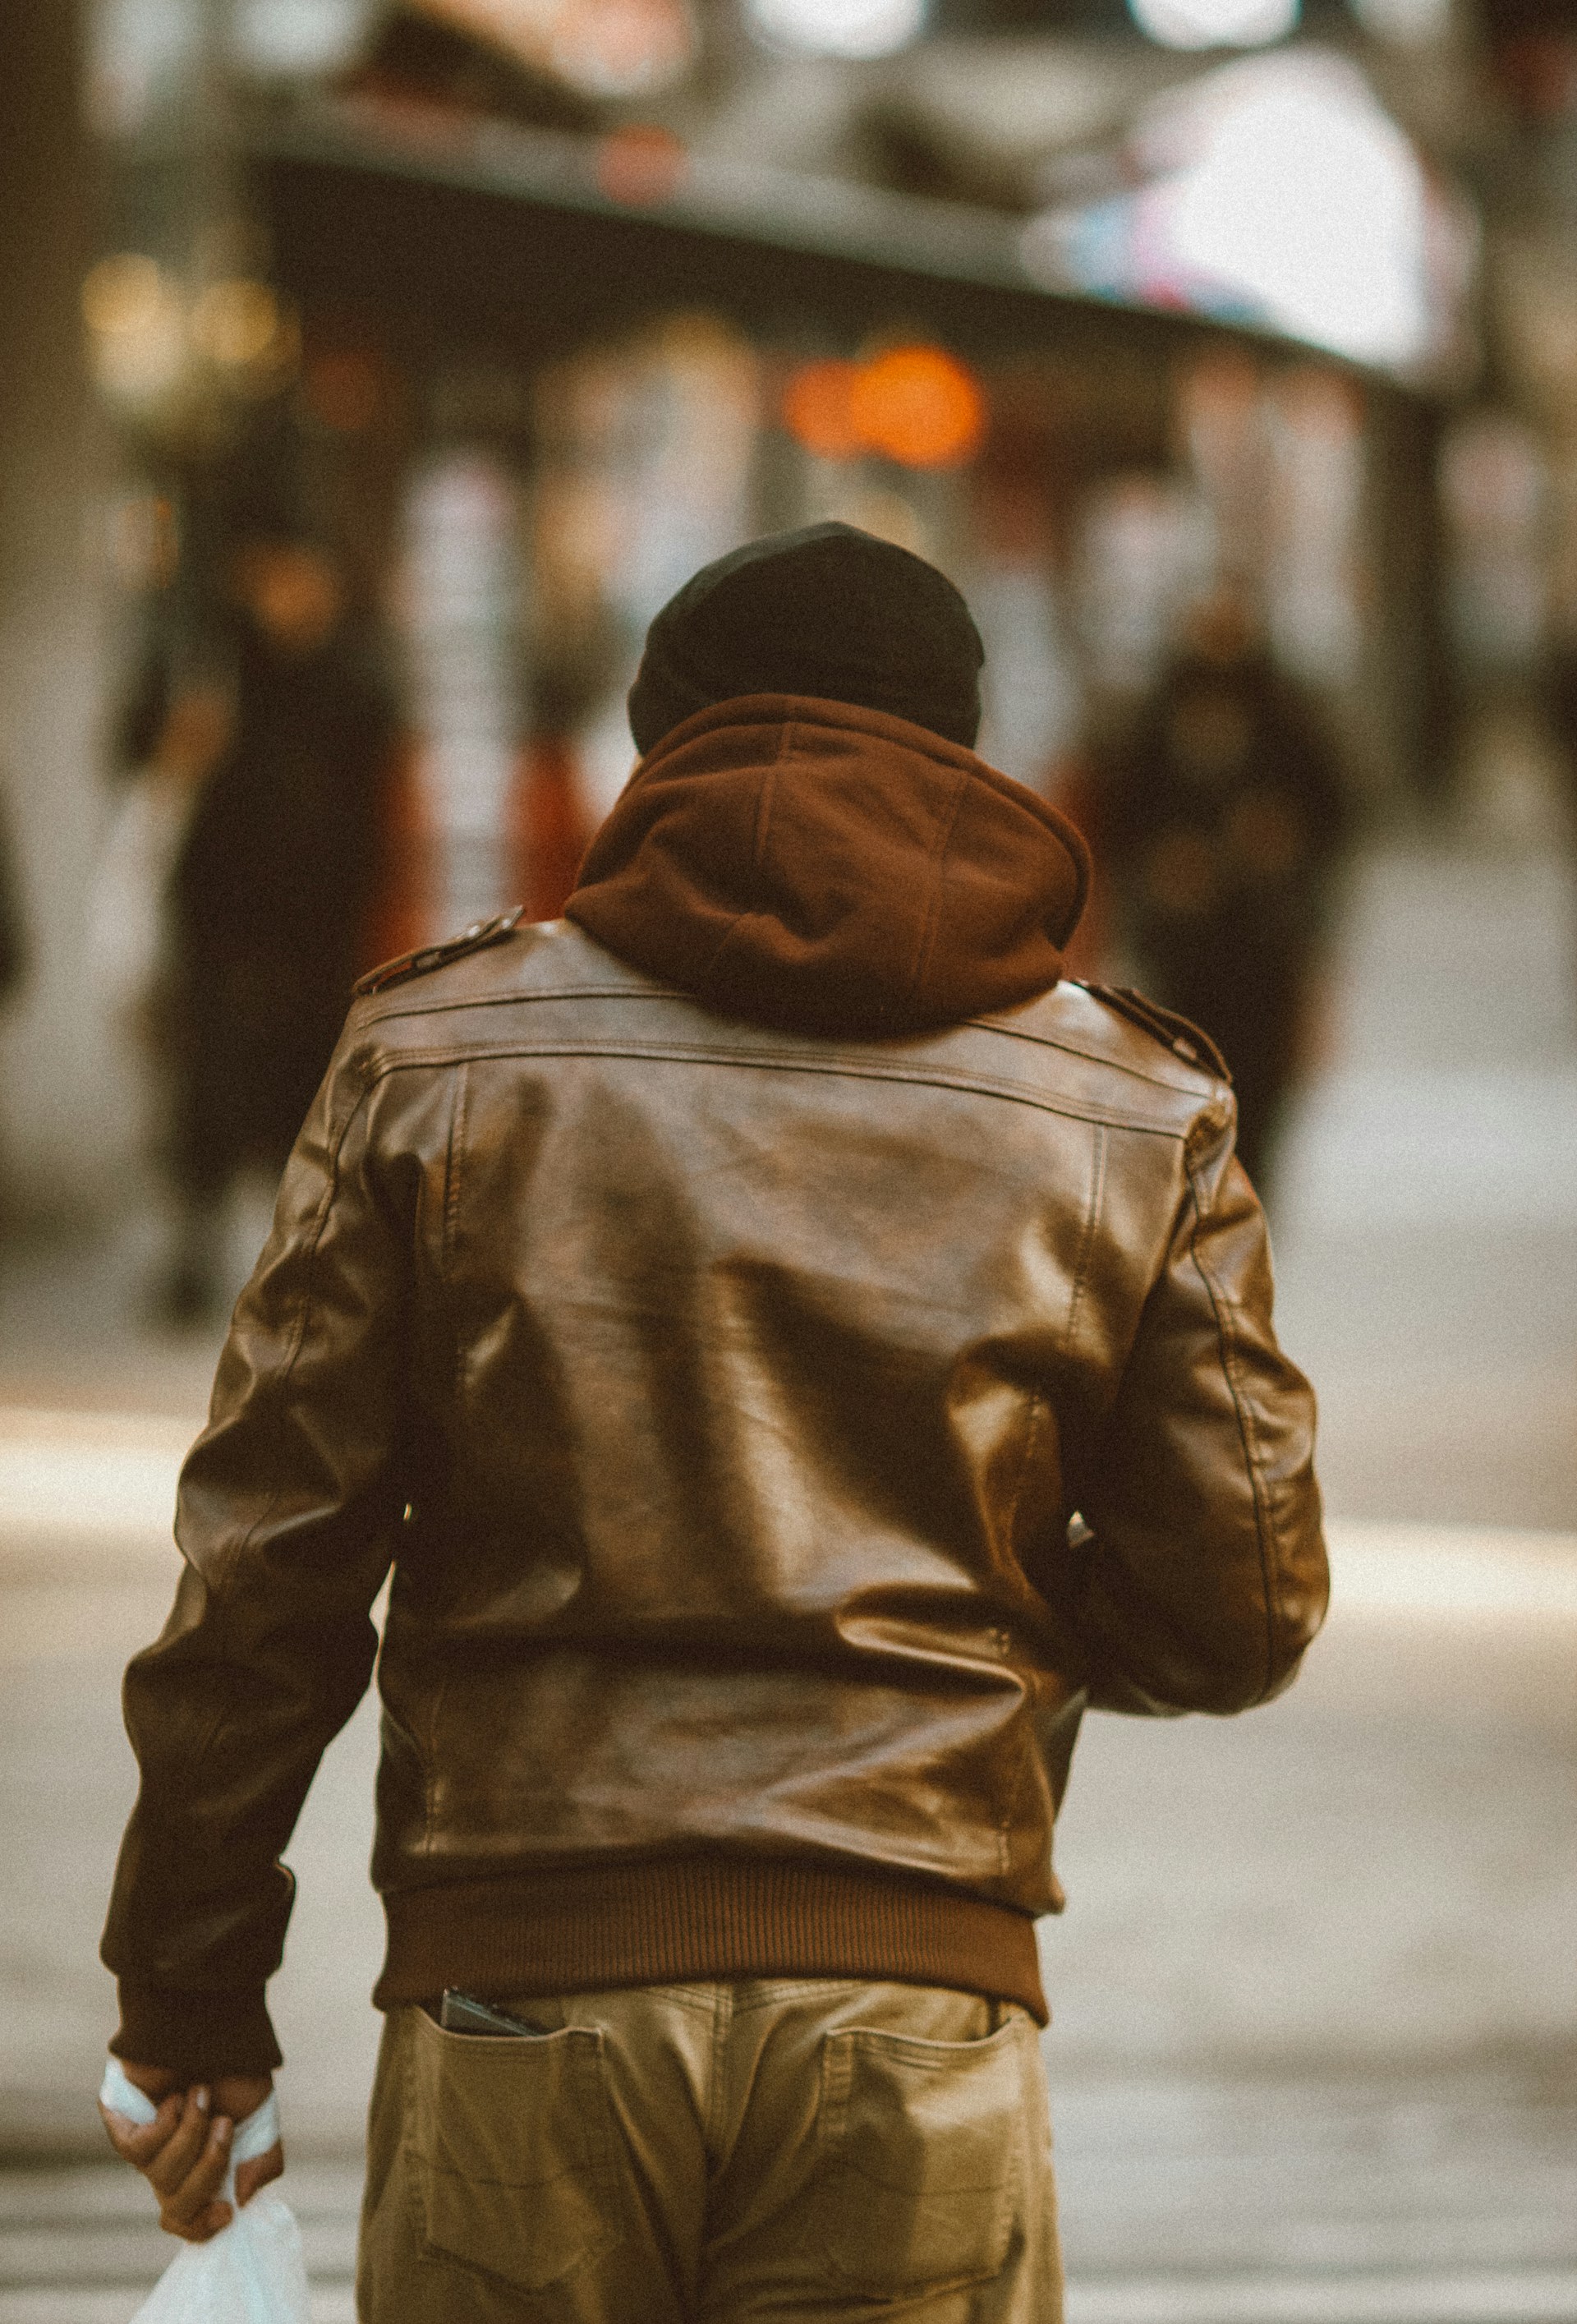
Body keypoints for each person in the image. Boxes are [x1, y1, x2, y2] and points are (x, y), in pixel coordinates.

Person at [99, 522, 1327, 2322]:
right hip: (919, 2003)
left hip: (517, 1989)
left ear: (657, 751)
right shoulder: (1130, 1108)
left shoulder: (437, 1061)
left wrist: (188, 2001)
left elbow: (264, 1582)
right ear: (961, 759)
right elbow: (1246, 1599)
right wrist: (984, 1623)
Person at [136, 532, 396, 1323]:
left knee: (302, 1105)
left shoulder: (353, 683)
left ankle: (296, 1267)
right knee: (206, 1102)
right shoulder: (213, 671)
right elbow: (149, 756)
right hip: (219, 925)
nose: (284, 596)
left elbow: (369, 811)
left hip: (316, 936)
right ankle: (195, 1258)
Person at [1095, 581, 1351, 1193]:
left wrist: (1281, 850)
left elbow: (1331, 825)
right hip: (1180, 957)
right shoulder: (1156, 720)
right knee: (1183, 1110)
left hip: (1264, 953)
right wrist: (1161, 870)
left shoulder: (1288, 721)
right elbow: (1120, 822)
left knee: (1258, 1117)